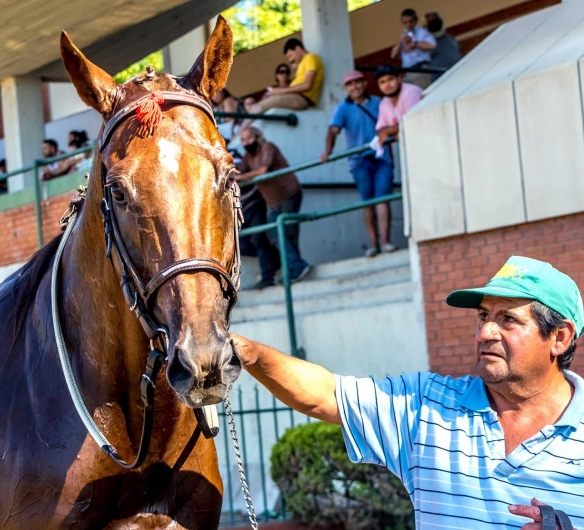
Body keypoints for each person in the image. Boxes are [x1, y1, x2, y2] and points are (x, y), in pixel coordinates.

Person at [232, 256, 584, 529]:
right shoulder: (427, 405)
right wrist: (250, 353)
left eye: (508, 319)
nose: (485, 333)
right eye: (483, 316)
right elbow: (324, 394)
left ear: (560, 337)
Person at [322, 70, 396, 258]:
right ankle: (374, 245)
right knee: (368, 202)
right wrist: (327, 152)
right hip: (359, 161)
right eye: (350, 84)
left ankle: (386, 242)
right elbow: (333, 130)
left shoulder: (380, 102)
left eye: (357, 82)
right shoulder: (342, 108)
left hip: (382, 157)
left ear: (364, 83)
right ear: (346, 88)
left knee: (382, 200)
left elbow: (392, 122)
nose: (354, 87)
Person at [234, 127, 311, 289]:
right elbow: (239, 173)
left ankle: (297, 267)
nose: (246, 142)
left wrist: (241, 177)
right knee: (276, 234)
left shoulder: (268, 147)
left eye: (249, 138)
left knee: (285, 233)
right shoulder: (248, 157)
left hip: (289, 195)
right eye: (243, 140)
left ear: (258, 137)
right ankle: (295, 267)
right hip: (273, 202)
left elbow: (263, 170)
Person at [246, 38, 324, 116]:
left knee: (259, 107)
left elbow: (307, 85)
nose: (291, 59)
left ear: (298, 48)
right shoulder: (304, 61)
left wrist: (279, 91)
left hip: (302, 98)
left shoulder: (310, 58)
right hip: (296, 97)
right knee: (260, 105)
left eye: (290, 55)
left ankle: (242, 128)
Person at [375, 65, 423, 146]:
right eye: (382, 82)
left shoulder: (411, 92)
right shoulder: (384, 102)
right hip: (403, 144)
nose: (387, 85)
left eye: (390, 79)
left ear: (399, 78)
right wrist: (393, 130)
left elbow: (412, 123)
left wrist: (389, 130)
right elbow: (380, 130)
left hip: (422, 139)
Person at [390, 8, 436, 89]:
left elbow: (432, 46)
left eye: (411, 21)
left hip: (420, 70)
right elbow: (393, 56)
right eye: (405, 22)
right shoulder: (404, 36)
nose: (408, 25)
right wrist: (400, 42)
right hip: (407, 73)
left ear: (415, 20)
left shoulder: (423, 33)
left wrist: (415, 44)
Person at [425, 12, 461, 81]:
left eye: (435, 21)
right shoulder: (425, 45)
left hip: (459, 73)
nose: (434, 24)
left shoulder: (450, 38)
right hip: (441, 79)